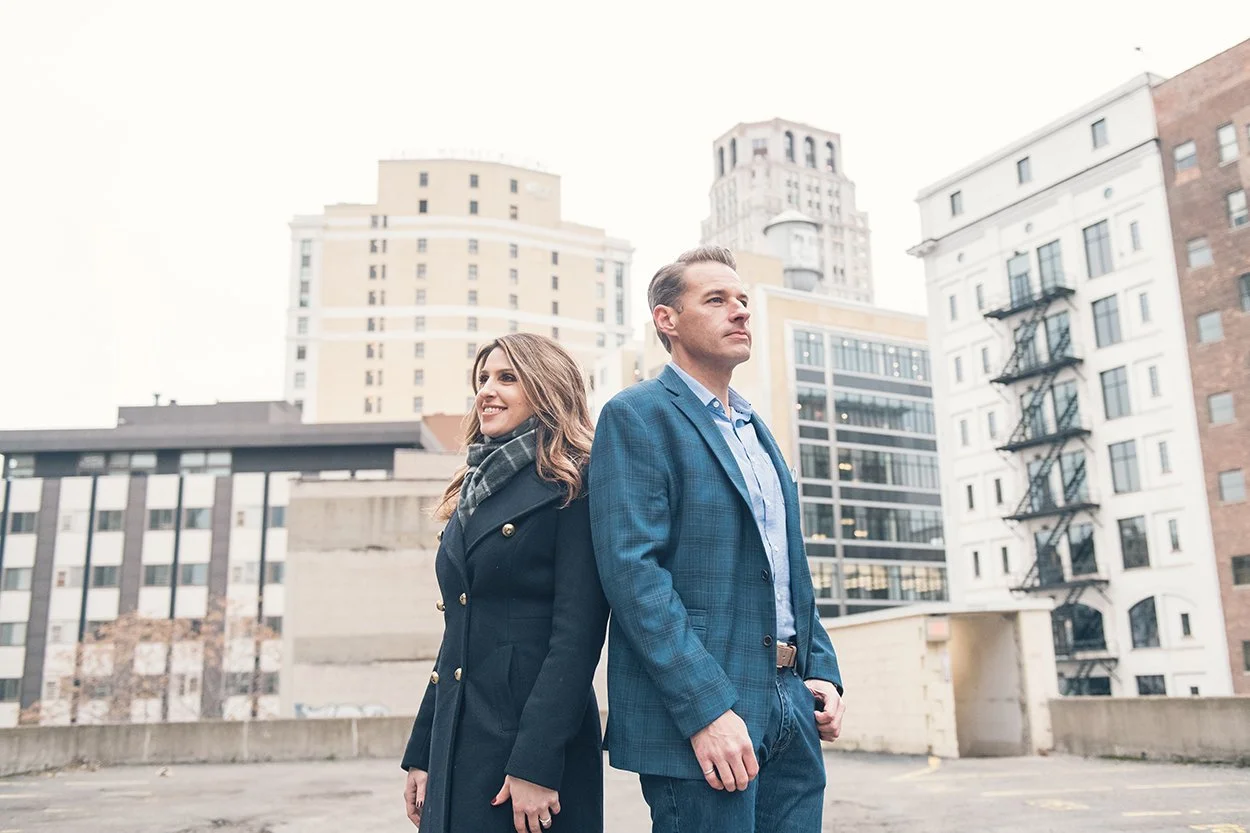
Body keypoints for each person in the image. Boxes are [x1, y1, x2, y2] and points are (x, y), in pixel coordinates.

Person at [589, 246, 847, 832]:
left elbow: (786, 568)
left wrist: (823, 671)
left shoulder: (756, 430)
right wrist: (705, 710)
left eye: (743, 301)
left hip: (789, 701)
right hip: (705, 718)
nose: (740, 312)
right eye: (716, 300)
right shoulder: (637, 416)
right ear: (667, 320)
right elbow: (633, 576)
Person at [402, 333, 609, 833]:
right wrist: (424, 751)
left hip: (531, 743)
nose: (487, 391)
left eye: (507, 378)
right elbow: (458, 633)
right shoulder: (473, 487)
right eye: (482, 379)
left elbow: (577, 636)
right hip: (460, 734)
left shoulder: (575, 484)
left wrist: (536, 763)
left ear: (546, 387)